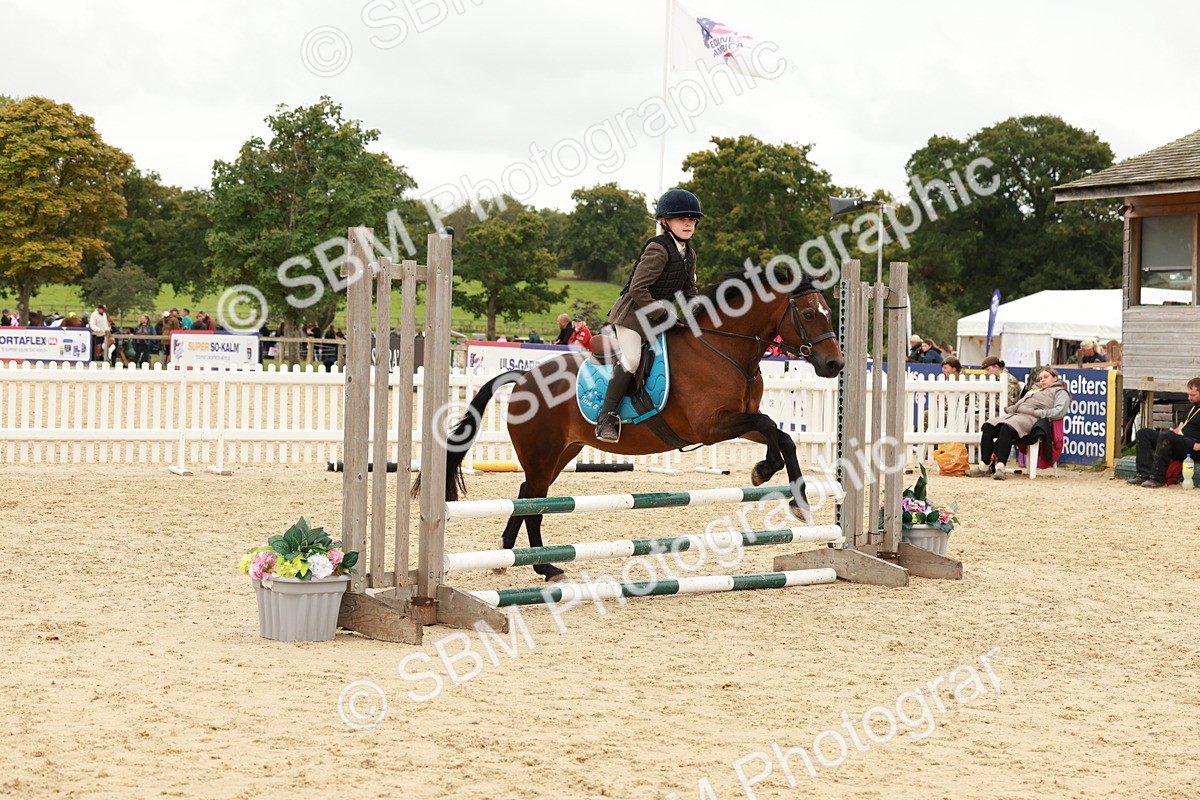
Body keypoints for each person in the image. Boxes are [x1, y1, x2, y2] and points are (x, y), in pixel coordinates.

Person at [595, 188, 701, 442]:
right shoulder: (659, 249)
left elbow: (689, 291)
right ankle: (606, 418)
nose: (688, 223)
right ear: (665, 222)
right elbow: (638, 289)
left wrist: (699, 313)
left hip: (657, 315)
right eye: (681, 218)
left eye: (692, 219)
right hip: (632, 315)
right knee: (631, 360)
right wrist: (663, 314)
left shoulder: (689, 253)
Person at [967, 366, 1071, 480]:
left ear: (1055, 378)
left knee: (1007, 428)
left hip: (1032, 419)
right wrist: (1012, 408)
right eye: (1040, 378)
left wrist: (1037, 412)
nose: (1042, 380)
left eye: (1046, 377)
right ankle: (984, 466)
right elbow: (1020, 403)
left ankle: (1000, 467)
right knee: (988, 426)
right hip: (1015, 415)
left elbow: (1059, 412)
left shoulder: (1060, 391)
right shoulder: (1035, 389)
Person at [1127, 376, 1200, 488]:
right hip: (1181, 441)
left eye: (1193, 395)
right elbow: (1180, 428)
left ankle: (1157, 478)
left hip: (1194, 446)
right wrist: (1172, 432)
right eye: (1188, 394)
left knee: (1167, 436)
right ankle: (1143, 473)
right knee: (1143, 433)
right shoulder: (1190, 408)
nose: (1189, 398)